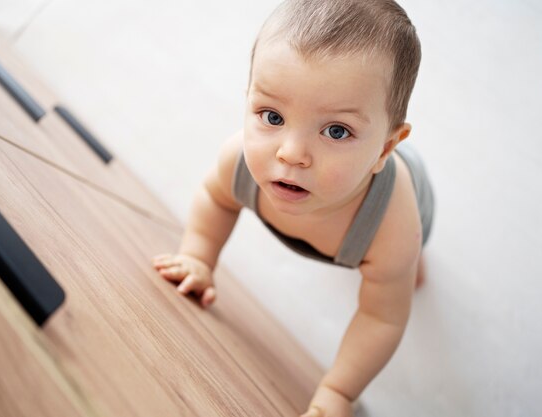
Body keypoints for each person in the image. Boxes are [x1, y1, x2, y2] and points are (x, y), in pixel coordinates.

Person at [154, 0, 434, 415]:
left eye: (336, 131)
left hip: (389, 214)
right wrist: (198, 257)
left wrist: (338, 392)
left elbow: (382, 321)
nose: (291, 154)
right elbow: (216, 199)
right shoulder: (240, 163)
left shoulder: (392, 227)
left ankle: (407, 267)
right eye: (271, 115)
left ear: (386, 148)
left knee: (398, 272)